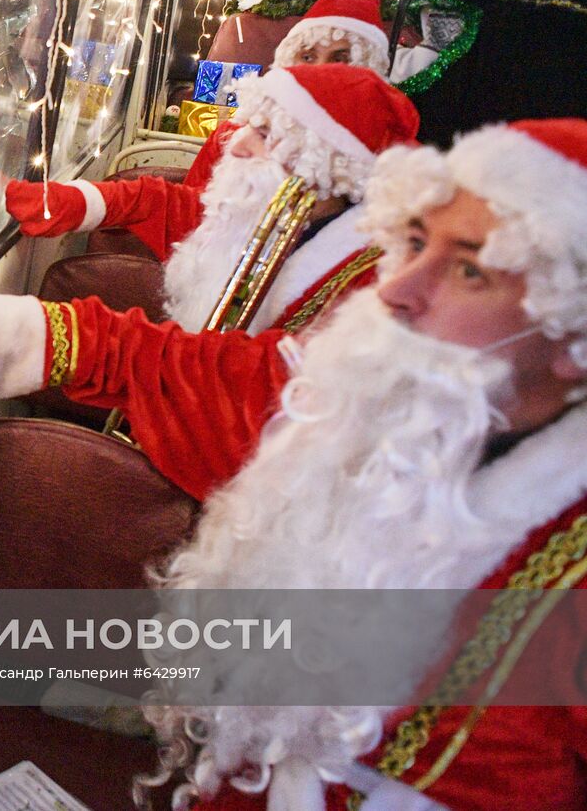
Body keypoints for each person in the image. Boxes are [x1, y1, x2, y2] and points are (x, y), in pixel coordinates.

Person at [128, 118, 587, 810]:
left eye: (468, 269)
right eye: (411, 245)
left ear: (571, 333)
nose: (397, 290)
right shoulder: (374, 411)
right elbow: (205, 373)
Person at [6, 64, 419, 332]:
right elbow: (171, 203)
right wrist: (63, 201)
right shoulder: (278, 212)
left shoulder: (362, 295)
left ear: (325, 166)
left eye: (263, 133)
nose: (237, 146)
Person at [181, 0, 393, 192]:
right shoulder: (234, 134)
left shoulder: (388, 151)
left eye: (339, 60)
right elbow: (194, 208)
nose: (319, 70)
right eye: (308, 57)